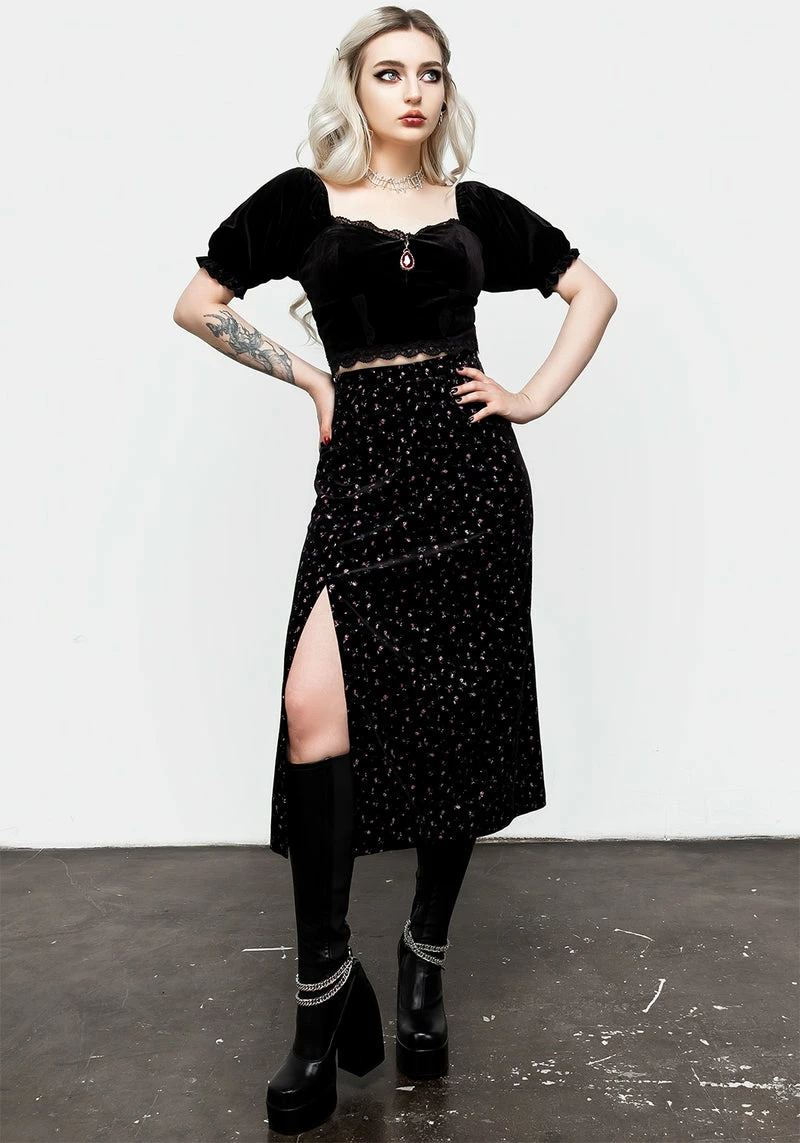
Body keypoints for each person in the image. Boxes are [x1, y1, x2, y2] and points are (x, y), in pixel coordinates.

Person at [174, 6, 617, 1135]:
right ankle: (323, 992)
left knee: (455, 717)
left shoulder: (474, 210)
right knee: (311, 705)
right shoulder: (302, 200)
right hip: (364, 478)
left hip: (471, 485)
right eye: (389, 73)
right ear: (355, 87)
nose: (412, 92)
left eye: (429, 73)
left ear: (444, 90)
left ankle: (424, 955)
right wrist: (310, 378)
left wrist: (527, 395)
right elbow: (198, 305)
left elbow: (592, 293)